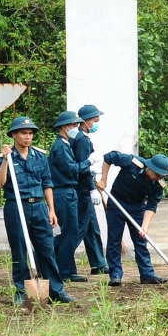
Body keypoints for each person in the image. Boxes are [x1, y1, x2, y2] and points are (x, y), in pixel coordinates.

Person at [0, 116, 74, 305]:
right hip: (16, 206)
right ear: (14, 135)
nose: (27, 137)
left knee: (47, 248)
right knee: (19, 249)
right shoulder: (5, 157)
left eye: (30, 133)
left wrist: (51, 209)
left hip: (38, 206)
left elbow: (47, 183)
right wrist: (5, 161)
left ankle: (56, 290)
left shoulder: (39, 156)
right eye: (23, 133)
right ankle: (22, 291)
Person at [96, 151, 168, 286]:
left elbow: (152, 205)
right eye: (157, 174)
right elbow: (108, 157)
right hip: (117, 201)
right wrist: (103, 179)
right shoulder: (132, 162)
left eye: (162, 175)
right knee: (114, 239)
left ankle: (147, 274)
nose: (159, 177)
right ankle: (115, 274)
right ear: (150, 168)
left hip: (137, 206)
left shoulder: (158, 184)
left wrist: (145, 226)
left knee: (140, 240)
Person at [49, 111, 101, 283]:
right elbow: (71, 169)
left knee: (70, 232)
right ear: (65, 127)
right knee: (69, 233)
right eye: (73, 125)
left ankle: (65, 269)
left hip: (67, 191)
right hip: (63, 191)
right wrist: (89, 163)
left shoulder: (64, 144)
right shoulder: (60, 146)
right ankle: (64, 270)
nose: (75, 128)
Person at [72, 104, 108, 276]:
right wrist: (92, 189)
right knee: (79, 229)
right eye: (95, 120)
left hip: (84, 189)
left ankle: (98, 263)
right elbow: (83, 167)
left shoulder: (83, 137)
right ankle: (58, 257)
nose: (97, 123)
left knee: (92, 228)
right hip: (82, 191)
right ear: (85, 121)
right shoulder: (82, 140)